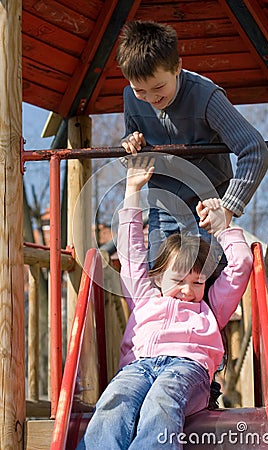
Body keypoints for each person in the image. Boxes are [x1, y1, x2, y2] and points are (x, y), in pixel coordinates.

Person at [77, 156, 253, 450]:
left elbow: (241, 264)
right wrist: (132, 191)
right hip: (138, 367)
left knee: (162, 399)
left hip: (187, 370)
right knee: (114, 400)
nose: (187, 290)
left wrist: (224, 227)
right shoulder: (144, 297)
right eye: (178, 280)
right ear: (158, 277)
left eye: (197, 282)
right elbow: (131, 251)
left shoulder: (210, 307)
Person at [117, 20, 268, 263]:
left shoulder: (205, 96)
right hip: (163, 205)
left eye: (158, 87)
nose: (150, 98)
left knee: (206, 282)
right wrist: (131, 141)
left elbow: (254, 150)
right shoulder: (131, 98)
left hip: (207, 204)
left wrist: (228, 207)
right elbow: (135, 143)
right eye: (140, 91)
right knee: (161, 280)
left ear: (177, 67)